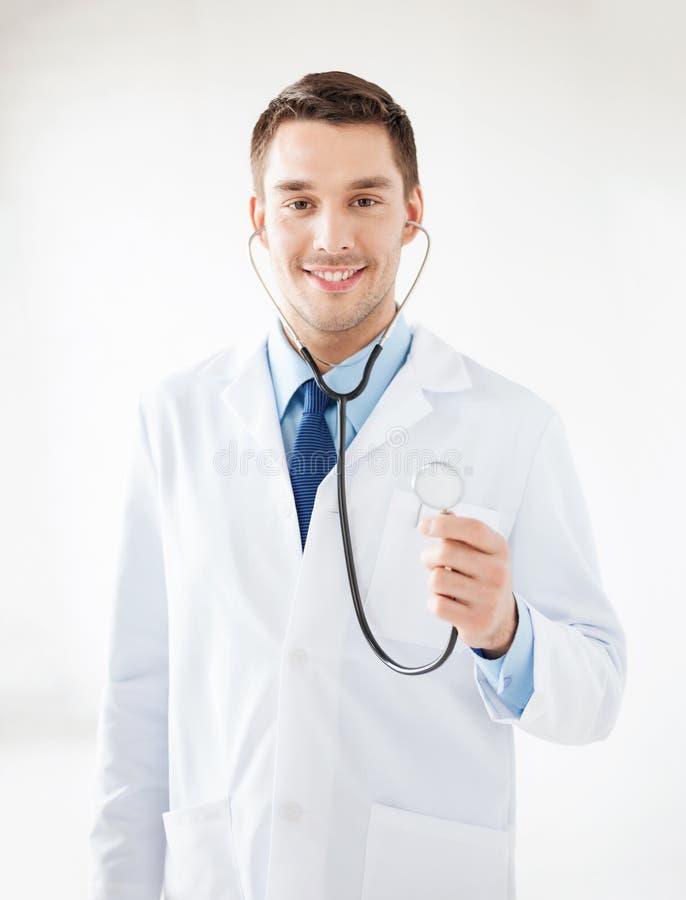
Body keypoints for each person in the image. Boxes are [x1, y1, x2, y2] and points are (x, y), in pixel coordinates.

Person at [88, 71, 627, 900]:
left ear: (413, 213)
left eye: (365, 200)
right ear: (260, 219)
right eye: (299, 201)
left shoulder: (511, 427)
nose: (331, 236)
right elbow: (136, 702)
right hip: (226, 874)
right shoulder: (176, 421)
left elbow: (595, 696)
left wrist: (506, 631)